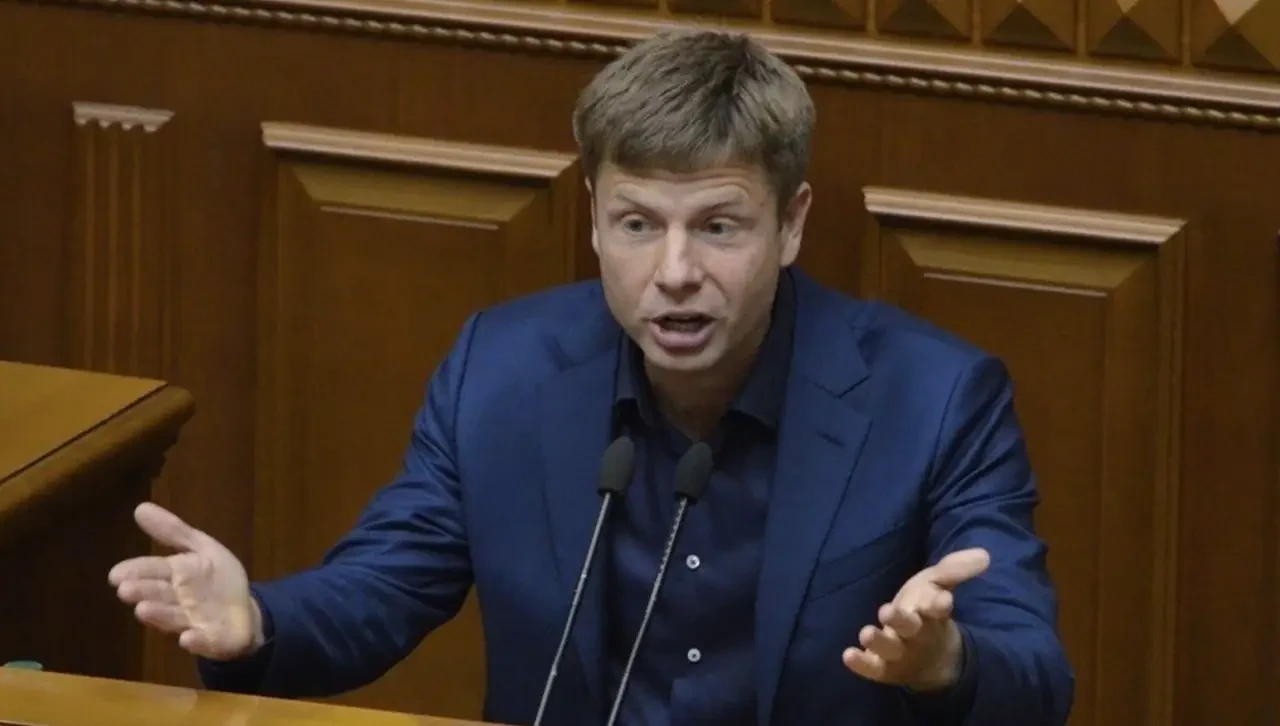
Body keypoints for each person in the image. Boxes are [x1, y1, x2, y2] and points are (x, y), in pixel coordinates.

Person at [108, 28, 1073, 726]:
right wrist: (259, 621)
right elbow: (387, 585)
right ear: (595, 221)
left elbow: (1035, 677)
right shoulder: (503, 368)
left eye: (719, 226)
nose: (675, 271)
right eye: (638, 223)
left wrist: (945, 662)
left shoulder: (935, 399)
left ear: (792, 225)